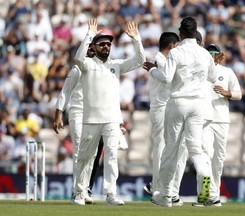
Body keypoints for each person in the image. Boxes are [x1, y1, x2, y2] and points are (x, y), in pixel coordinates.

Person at [143, 16, 217, 207]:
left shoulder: (176, 53)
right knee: (196, 149)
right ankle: (206, 183)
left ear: (180, 33)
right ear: (196, 31)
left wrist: (152, 70)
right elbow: (212, 77)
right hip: (199, 105)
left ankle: (165, 196)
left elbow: (166, 77)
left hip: (178, 103)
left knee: (171, 149)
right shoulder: (205, 54)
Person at [72, 18, 145, 205]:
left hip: (112, 119)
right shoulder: (87, 65)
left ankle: (110, 194)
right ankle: (80, 192)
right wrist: (89, 35)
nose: (106, 46)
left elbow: (140, 61)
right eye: (102, 43)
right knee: (85, 158)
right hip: (90, 120)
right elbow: (78, 58)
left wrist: (136, 39)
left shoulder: (116, 65)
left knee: (112, 156)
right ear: (94, 47)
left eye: (108, 43)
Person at [193, 43, 242, 207]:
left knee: (218, 159)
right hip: (205, 119)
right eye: (209, 53)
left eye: (215, 53)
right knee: (205, 156)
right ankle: (204, 195)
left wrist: (227, 93)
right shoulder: (201, 72)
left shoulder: (227, 72)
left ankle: (214, 195)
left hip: (222, 120)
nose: (212, 55)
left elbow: (239, 94)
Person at [53, 44, 103, 204]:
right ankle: (77, 192)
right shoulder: (77, 69)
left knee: (91, 155)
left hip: (93, 115)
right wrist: (58, 116)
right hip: (77, 113)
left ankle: (84, 189)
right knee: (79, 152)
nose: (92, 53)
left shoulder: (98, 70)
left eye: (94, 51)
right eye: (89, 50)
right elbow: (65, 92)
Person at [143, 32, 183, 206]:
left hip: (166, 108)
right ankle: (157, 187)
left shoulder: (160, 60)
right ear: (172, 46)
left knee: (169, 148)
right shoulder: (160, 61)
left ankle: (161, 186)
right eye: (178, 46)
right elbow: (169, 79)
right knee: (160, 148)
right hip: (160, 109)